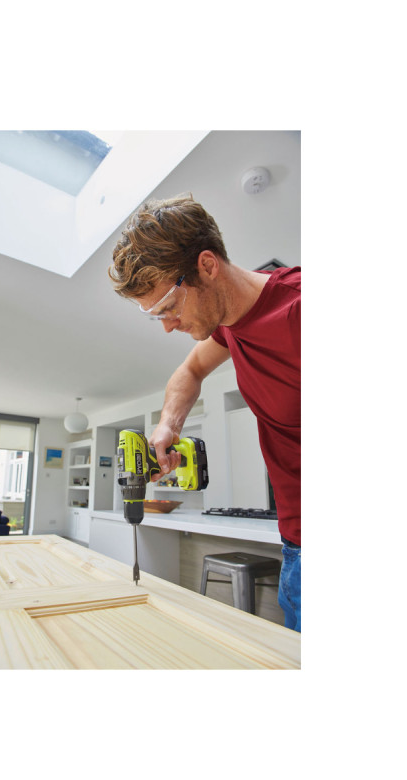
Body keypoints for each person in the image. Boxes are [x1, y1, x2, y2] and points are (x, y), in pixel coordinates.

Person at [108, 194, 301, 631]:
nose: (167, 326)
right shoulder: (231, 327)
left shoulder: (298, 312)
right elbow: (190, 371)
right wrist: (167, 427)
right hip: (294, 540)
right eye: (155, 315)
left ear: (207, 266)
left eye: (169, 306)